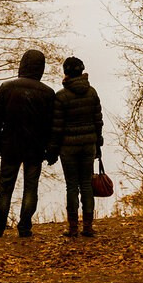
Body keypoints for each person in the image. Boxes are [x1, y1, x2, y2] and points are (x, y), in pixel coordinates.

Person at [0, 49, 55, 238]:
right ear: (41, 68)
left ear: (22, 64)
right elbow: (51, 125)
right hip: (36, 148)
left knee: (5, 187)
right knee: (31, 188)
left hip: (10, 146)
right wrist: (51, 150)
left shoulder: (6, 88)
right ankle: (25, 227)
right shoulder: (48, 93)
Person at [46, 56, 103, 238]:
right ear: (82, 70)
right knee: (86, 184)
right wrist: (98, 142)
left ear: (66, 73)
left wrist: (52, 150)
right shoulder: (92, 93)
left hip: (68, 147)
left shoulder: (61, 96)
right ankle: (88, 227)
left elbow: (56, 128)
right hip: (88, 145)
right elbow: (98, 121)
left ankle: (72, 228)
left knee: (71, 186)